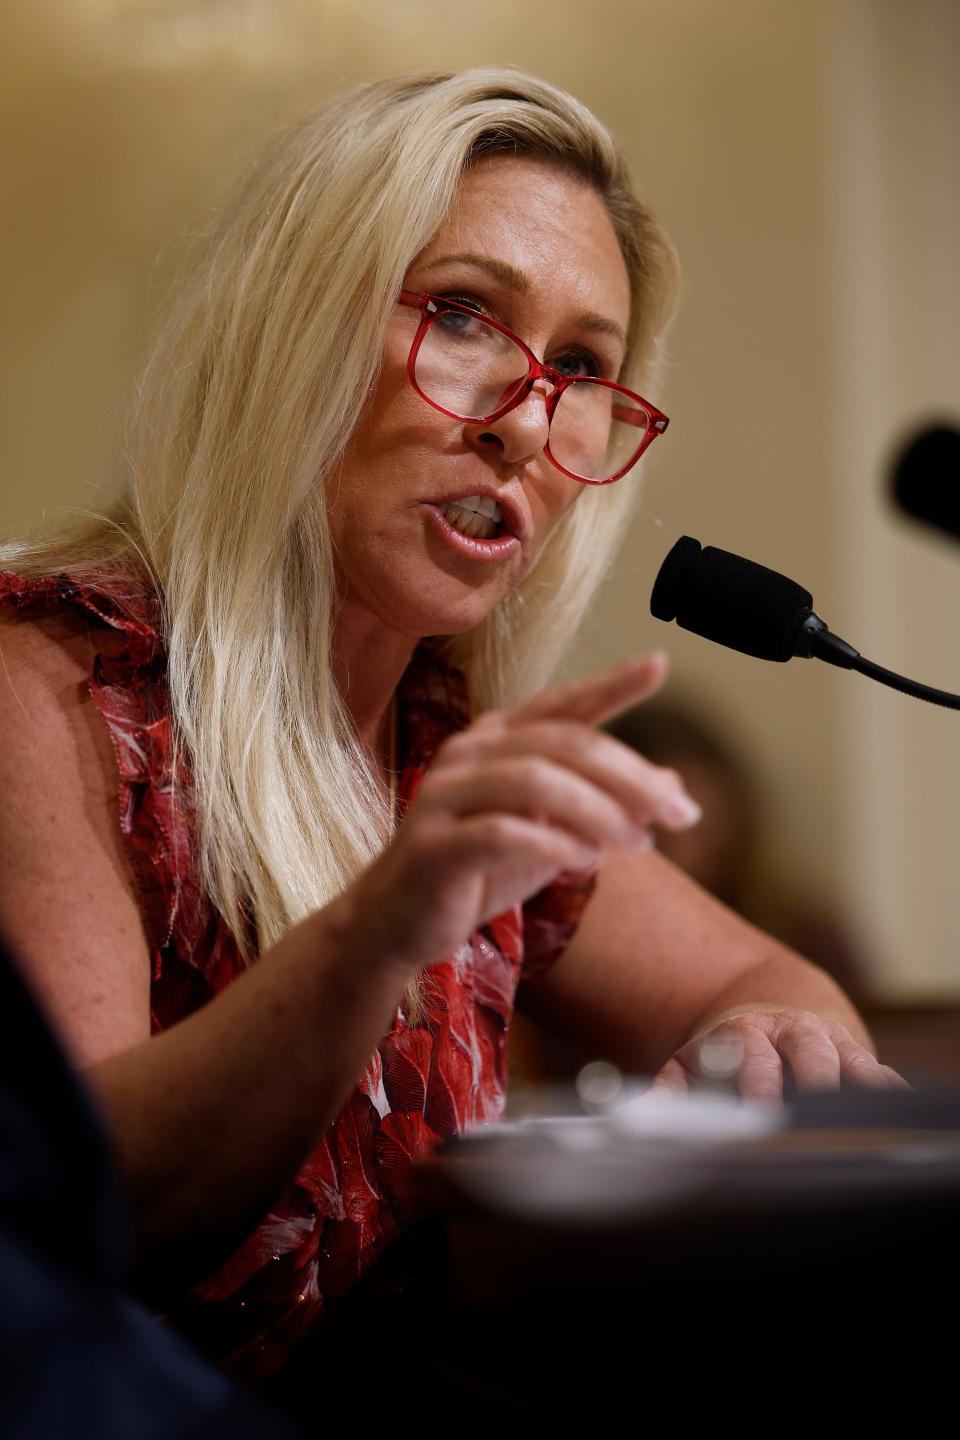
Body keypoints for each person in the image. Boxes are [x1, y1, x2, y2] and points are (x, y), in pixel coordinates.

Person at [0, 68, 905, 1382]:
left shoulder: (438, 742)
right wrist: (381, 926)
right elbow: (89, 1209)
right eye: (466, 314)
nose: (531, 422)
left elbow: (766, 986)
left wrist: (768, 1041)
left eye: (586, 367)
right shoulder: (51, 689)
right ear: (289, 324)